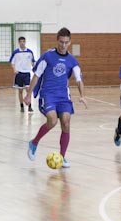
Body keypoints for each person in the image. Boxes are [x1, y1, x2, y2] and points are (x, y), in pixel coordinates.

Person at [25, 27, 87, 168]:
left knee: (66, 122)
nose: (63, 45)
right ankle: (34, 142)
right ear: (57, 40)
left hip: (63, 96)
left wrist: (82, 95)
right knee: (52, 120)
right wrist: (28, 94)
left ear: (70, 42)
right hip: (48, 95)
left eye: (66, 42)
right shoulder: (47, 56)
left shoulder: (72, 61)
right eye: (61, 42)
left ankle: (62, 156)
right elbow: (36, 76)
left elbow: (79, 80)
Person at [9, 36, 35, 113]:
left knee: (28, 90)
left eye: (23, 41)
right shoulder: (16, 52)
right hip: (19, 74)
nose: (22, 43)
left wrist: (35, 69)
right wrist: (14, 70)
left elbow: (33, 62)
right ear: (19, 42)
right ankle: (21, 106)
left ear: (25, 42)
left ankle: (29, 106)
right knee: (20, 91)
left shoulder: (30, 52)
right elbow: (12, 62)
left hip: (27, 73)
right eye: (21, 41)